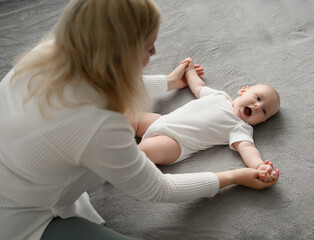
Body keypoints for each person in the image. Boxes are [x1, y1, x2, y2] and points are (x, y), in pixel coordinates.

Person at [0, 0, 279, 239]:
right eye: (148, 46)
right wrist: (234, 176)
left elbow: (102, 81)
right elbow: (157, 187)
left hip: (24, 179)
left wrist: (167, 82)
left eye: (263, 110)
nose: (154, 53)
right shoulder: (100, 125)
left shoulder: (43, 55)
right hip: (21, 218)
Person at [131, 57, 280, 183]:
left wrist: (259, 165)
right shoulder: (219, 96)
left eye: (264, 111)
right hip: (162, 120)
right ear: (243, 90)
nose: (258, 106)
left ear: (261, 122)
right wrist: (190, 71)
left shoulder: (241, 128)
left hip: (175, 143)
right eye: (258, 98)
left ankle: (121, 159)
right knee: (131, 118)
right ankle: (111, 130)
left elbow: (248, 149)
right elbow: (198, 87)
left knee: (145, 149)